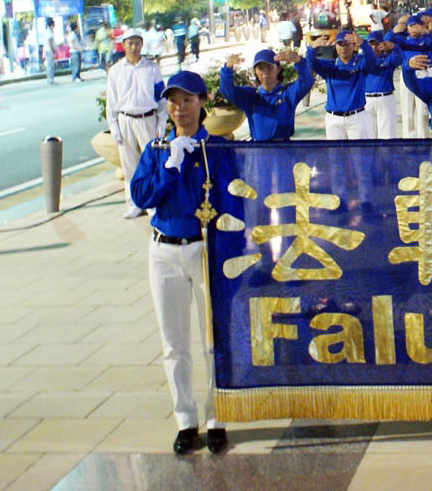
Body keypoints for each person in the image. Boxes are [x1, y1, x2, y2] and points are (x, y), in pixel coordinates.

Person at [129, 70, 231, 455]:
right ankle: (185, 420)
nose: (179, 108)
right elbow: (142, 196)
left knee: (212, 340)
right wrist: (170, 165)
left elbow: (232, 197)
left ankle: (217, 417)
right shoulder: (157, 150)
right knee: (173, 343)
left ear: (202, 103)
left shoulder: (216, 149)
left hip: (204, 250)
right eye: (173, 101)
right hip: (164, 252)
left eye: (187, 100)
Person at [106, 28, 167, 218]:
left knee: (150, 164)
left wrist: (161, 123)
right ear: (124, 45)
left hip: (147, 119)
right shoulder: (116, 71)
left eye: (137, 43)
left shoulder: (152, 69)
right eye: (130, 43)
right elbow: (111, 101)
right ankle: (134, 204)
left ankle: (151, 203)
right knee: (129, 166)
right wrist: (114, 127)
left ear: (142, 44)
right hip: (125, 120)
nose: (134, 47)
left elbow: (161, 98)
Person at [218, 48, 313, 141]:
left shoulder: (288, 93)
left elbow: (307, 81)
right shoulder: (250, 96)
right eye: (260, 68)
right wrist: (228, 68)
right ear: (255, 71)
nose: (265, 72)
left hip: (284, 148)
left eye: (269, 67)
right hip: (259, 149)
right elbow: (226, 90)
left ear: (278, 69)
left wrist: (299, 61)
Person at [306, 29, 380, 140]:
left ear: (353, 46)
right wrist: (313, 48)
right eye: (340, 44)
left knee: (359, 151)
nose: (343, 48)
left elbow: (372, 60)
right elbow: (310, 63)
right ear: (335, 46)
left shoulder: (360, 64)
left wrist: (363, 43)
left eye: (347, 44)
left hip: (357, 118)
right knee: (335, 152)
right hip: (334, 120)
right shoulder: (330, 67)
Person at [363, 30, 402, 139]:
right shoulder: (363, 60)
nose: (373, 47)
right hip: (367, 100)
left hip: (385, 99)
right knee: (368, 135)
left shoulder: (389, 59)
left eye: (376, 44)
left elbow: (400, 57)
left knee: (387, 135)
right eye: (371, 44)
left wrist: (393, 46)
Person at [44, 17, 58, 84]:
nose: (54, 26)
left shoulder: (49, 32)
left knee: (50, 66)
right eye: (53, 25)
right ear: (51, 25)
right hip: (49, 51)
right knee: (50, 66)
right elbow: (50, 43)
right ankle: (50, 80)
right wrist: (52, 52)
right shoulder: (49, 32)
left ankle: (51, 79)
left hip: (49, 50)